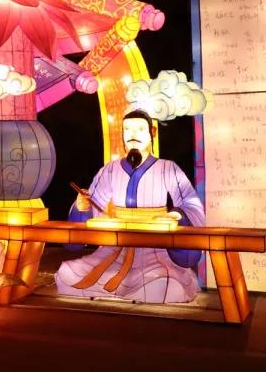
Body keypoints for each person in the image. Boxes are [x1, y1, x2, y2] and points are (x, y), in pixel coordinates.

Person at [55, 109, 205, 303]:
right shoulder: (110, 169)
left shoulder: (167, 168)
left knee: (166, 283)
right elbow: (94, 203)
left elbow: (190, 203)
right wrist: (82, 206)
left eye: (140, 129)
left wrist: (176, 215)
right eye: (127, 129)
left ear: (152, 133)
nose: (133, 134)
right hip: (116, 246)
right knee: (66, 273)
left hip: (154, 247)